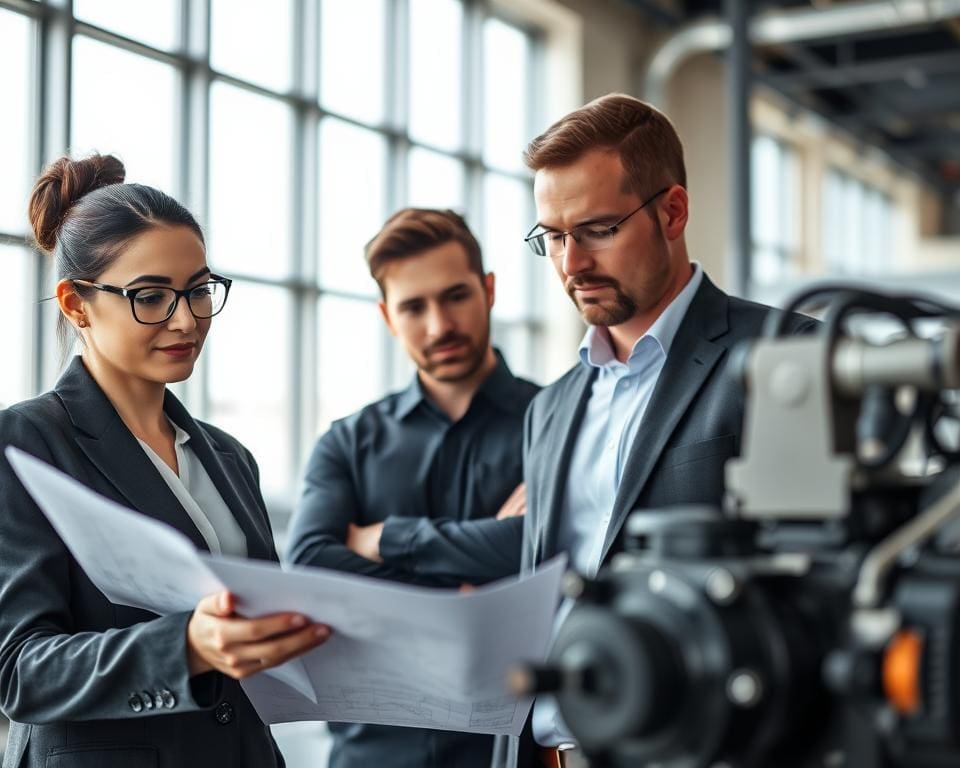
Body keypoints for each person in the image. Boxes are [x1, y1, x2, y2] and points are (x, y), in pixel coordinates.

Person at [492, 94, 817, 768]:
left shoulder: (785, 360)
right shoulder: (550, 409)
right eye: (551, 236)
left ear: (673, 211)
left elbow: (819, 593)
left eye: (598, 229)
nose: (570, 262)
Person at [0, 154, 331, 768]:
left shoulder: (229, 458)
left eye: (199, 290)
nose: (187, 319)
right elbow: (21, 670)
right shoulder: (24, 442)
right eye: (150, 296)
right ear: (75, 304)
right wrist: (185, 646)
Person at [286, 208, 539, 768]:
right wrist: (464, 598)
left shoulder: (555, 423)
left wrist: (383, 539)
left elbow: (539, 549)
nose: (438, 326)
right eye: (413, 307)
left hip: (507, 751)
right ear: (386, 316)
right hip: (371, 753)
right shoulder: (347, 442)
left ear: (489, 290)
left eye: (455, 297)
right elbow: (308, 564)